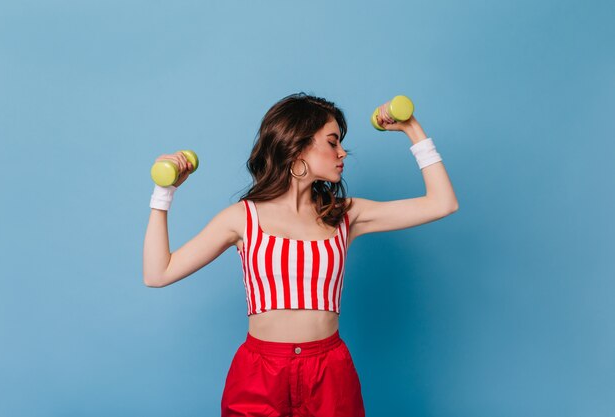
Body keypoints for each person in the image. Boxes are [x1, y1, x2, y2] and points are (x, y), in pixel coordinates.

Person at [143, 92, 458, 416]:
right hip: (260, 372)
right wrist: (164, 193)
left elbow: (442, 203)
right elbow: (158, 273)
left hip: (329, 372)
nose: (342, 152)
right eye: (332, 142)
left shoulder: (345, 215)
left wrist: (412, 128)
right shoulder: (242, 217)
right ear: (298, 145)